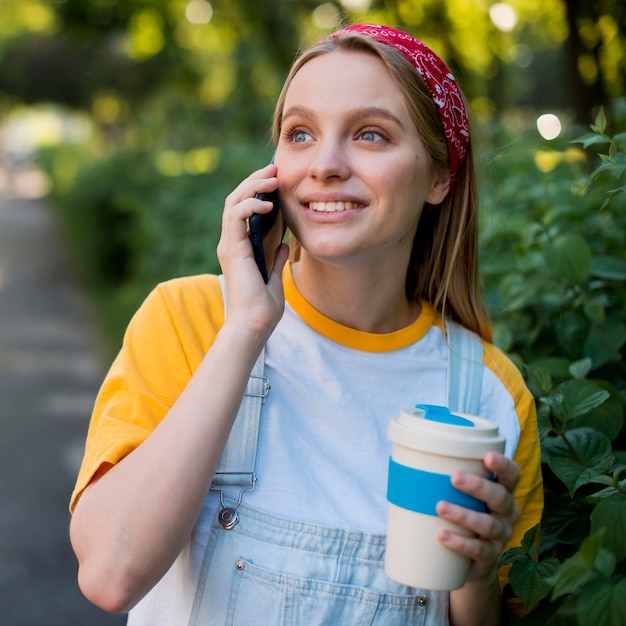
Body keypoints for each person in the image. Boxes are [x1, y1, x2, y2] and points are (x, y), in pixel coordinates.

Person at [69, 23, 543, 626]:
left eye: (370, 134)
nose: (324, 165)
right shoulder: (190, 320)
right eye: (300, 134)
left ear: (440, 176)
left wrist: (476, 576)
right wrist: (246, 329)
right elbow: (111, 575)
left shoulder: (488, 396)